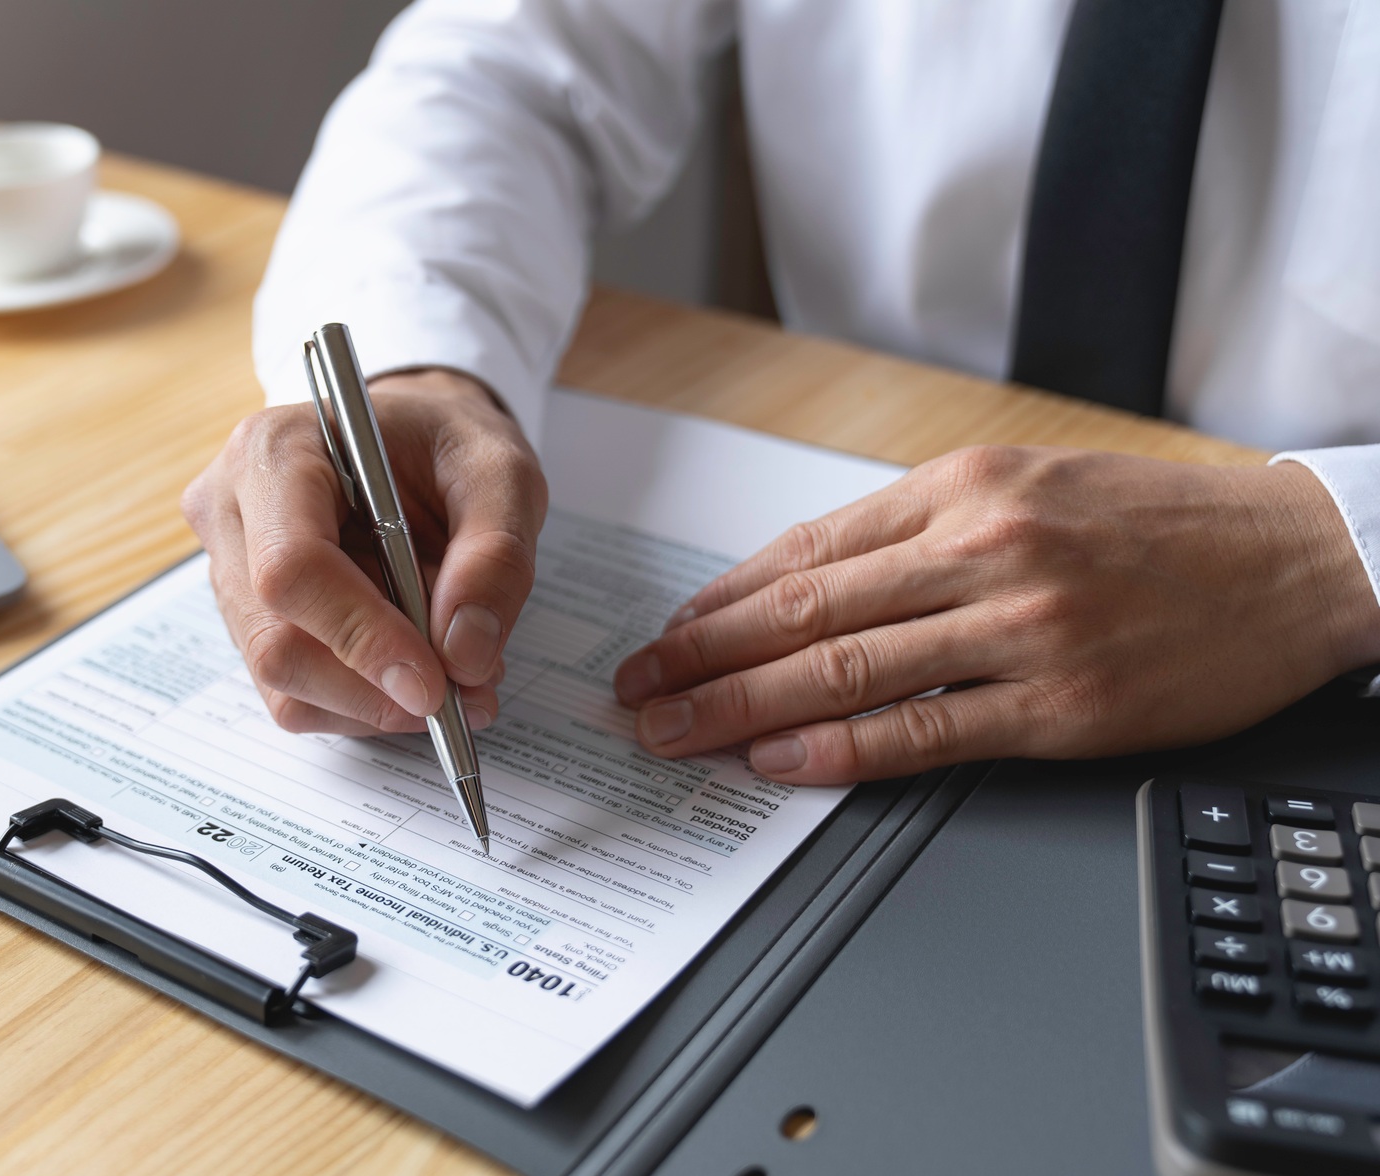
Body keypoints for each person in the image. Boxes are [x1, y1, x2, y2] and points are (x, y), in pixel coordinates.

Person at [182, 0, 1380, 786]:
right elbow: (504, 66)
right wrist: (413, 363)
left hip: (1317, 655)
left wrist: (1327, 554)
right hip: (845, 492)